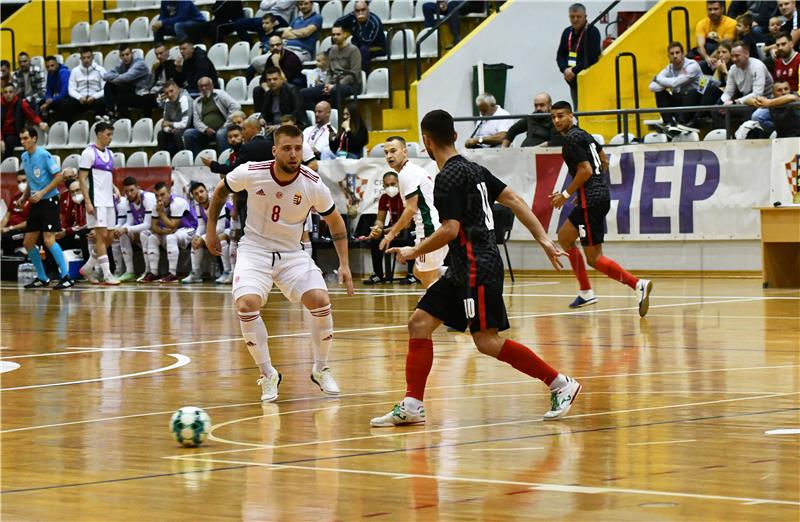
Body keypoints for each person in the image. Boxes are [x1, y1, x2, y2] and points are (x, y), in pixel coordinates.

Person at [370, 109, 580, 427]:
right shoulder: (475, 169)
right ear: (454, 136)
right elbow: (515, 200)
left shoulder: (447, 177)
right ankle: (413, 404)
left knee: (486, 341)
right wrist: (543, 240)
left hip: (475, 266)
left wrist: (415, 249)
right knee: (419, 323)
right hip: (461, 266)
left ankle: (560, 383)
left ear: (426, 142)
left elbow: (450, 229)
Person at [204, 125, 355, 401]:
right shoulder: (252, 171)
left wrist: (344, 264)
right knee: (247, 304)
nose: (293, 154)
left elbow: (336, 221)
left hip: (292, 253)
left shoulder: (312, 183)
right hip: (254, 249)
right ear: (275, 151)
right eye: (287, 148)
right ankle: (267, 373)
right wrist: (211, 229)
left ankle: (321, 368)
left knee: (320, 300)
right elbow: (219, 192)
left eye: (298, 148)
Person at [549, 101, 652, 315]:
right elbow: (603, 161)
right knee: (565, 237)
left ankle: (637, 284)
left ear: (571, 115)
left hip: (591, 200)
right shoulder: (586, 135)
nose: (557, 121)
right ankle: (586, 292)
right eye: (553, 117)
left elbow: (585, 170)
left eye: (561, 116)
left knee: (594, 258)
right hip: (596, 196)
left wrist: (567, 194)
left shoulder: (570, 140)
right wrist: (587, 190)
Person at [379, 136, 446, 288]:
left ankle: (438, 307)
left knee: (427, 278)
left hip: (429, 231)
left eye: (393, 151)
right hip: (435, 228)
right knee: (418, 271)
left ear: (405, 151)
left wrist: (391, 234)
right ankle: (457, 277)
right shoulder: (412, 171)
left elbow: (411, 209)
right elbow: (411, 214)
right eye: (386, 152)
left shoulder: (407, 173)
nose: (389, 155)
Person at [18, 126, 74, 289]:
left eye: (26, 138)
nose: (23, 142)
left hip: (49, 201)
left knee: (49, 240)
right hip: (36, 203)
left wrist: (42, 193)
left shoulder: (43, 154)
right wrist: (24, 196)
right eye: (21, 138)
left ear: (34, 138)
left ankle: (66, 276)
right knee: (28, 242)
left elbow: (59, 177)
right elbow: (31, 179)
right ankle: (42, 278)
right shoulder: (24, 156)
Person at [77, 122, 118, 285]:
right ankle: (107, 274)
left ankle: (88, 267)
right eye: (108, 134)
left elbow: (106, 176)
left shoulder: (110, 153)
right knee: (101, 237)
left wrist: (115, 188)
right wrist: (87, 201)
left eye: (111, 134)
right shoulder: (88, 153)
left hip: (109, 200)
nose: (110, 138)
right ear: (99, 134)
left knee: (109, 236)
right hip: (97, 201)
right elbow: (82, 179)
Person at [364, 171, 416, 285]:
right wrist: (377, 229)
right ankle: (378, 274)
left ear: (399, 183)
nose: (390, 188)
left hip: (409, 229)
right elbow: (380, 219)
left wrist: (384, 231)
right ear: (383, 186)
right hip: (393, 230)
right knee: (375, 240)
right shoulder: (384, 198)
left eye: (393, 184)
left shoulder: (406, 196)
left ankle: (412, 274)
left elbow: (406, 224)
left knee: (408, 237)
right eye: (387, 185)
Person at [140, 181, 197, 283]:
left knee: (171, 237)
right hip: (171, 232)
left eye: (162, 195)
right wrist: (163, 231)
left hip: (189, 229)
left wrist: (161, 213)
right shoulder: (156, 205)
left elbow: (173, 225)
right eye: (157, 196)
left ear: (169, 192)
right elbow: (153, 226)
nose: (160, 198)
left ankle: (173, 274)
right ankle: (154, 273)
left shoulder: (177, 202)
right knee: (152, 238)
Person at [181, 181, 233, 284]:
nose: (199, 195)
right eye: (196, 194)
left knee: (220, 237)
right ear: (193, 197)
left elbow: (221, 228)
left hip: (231, 229)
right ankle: (196, 273)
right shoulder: (198, 205)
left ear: (206, 191)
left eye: (201, 191)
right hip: (215, 231)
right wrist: (197, 236)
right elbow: (201, 225)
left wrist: (203, 238)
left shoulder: (216, 201)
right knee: (195, 241)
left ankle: (227, 272)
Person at [301, 23, 362, 110]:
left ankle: (336, 119)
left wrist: (335, 85)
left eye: (338, 34)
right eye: (333, 35)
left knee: (335, 91)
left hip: (350, 85)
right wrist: (326, 84)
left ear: (345, 34)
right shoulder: (332, 50)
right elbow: (329, 72)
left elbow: (354, 73)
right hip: (332, 84)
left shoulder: (353, 50)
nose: (335, 37)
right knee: (304, 93)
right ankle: (318, 117)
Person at [556, 3, 601, 110]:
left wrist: (574, 70)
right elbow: (560, 55)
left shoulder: (592, 31)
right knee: (577, 110)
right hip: (572, 80)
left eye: (578, 17)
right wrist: (565, 70)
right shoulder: (567, 32)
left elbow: (592, 57)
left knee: (587, 110)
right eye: (572, 17)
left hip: (588, 79)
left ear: (585, 17)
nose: (575, 20)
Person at [648, 42, 703, 127]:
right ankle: (668, 123)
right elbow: (652, 87)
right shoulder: (669, 68)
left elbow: (675, 83)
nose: (675, 56)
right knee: (659, 93)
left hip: (695, 101)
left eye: (677, 52)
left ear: (683, 54)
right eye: (672, 53)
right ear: (668, 56)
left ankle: (681, 123)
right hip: (679, 100)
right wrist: (668, 82)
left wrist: (658, 79)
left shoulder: (692, 65)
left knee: (692, 93)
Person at [183, 77, 241, 155]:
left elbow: (236, 106)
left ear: (212, 86)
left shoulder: (220, 94)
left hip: (224, 129)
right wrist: (205, 129)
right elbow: (196, 121)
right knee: (188, 133)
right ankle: (197, 159)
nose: (204, 88)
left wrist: (226, 124)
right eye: (201, 86)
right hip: (206, 132)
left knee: (220, 133)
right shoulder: (196, 102)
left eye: (206, 85)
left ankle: (225, 158)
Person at [116, 176, 158, 283]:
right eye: (126, 191)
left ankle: (148, 270)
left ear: (138, 188)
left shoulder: (148, 198)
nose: (129, 194)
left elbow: (148, 225)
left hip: (156, 228)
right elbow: (129, 222)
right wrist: (120, 229)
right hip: (143, 229)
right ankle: (129, 272)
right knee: (122, 234)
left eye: (132, 190)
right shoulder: (128, 202)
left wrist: (125, 229)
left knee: (143, 233)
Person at [335, 1, 387, 71]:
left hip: (377, 47)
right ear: (354, 11)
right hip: (358, 46)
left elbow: (366, 41)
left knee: (363, 50)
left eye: (363, 10)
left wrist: (360, 24)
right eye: (357, 11)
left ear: (368, 10)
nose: (360, 13)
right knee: (334, 49)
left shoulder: (374, 22)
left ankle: (363, 75)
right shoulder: (352, 16)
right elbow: (337, 23)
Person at [102, 44, 151, 119]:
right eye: (122, 55)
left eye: (127, 54)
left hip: (140, 92)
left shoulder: (140, 64)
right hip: (129, 91)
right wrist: (117, 77)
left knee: (122, 87)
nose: (125, 57)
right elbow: (105, 76)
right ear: (120, 57)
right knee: (108, 85)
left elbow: (126, 78)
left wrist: (115, 78)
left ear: (132, 54)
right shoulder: (122, 65)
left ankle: (124, 118)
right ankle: (111, 112)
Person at [1, 84, 48, 156]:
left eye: (10, 92)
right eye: (5, 92)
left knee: (9, 141)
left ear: (14, 93)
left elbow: (33, 115)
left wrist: (40, 123)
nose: (8, 94)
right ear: (2, 94)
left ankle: (7, 164)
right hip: (2, 135)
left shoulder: (21, 103)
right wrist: (0, 139)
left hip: (16, 135)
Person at [256, 67, 308, 131]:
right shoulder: (268, 94)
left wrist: (279, 126)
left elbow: (297, 113)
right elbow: (264, 113)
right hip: (273, 127)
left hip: (293, 127)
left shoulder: (292, 90)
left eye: (275, 79)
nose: (272, 82)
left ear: (281, 79)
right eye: (269, 80)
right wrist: (262, 118)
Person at [56, 175, 90, 265]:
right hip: (79, 230)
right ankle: (62, 268)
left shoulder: (89, 201)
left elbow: (87, 224)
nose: (75, 194)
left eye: (77, 190)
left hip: (92, 229)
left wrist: (67, 231)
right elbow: (68, 220)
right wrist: (63, 229)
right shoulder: (76, 203)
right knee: (57, 237)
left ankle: (87, 268)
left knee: (83, 235)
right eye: (72, 192)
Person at [67, 47, 108, 123]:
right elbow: (71, 90)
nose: (86, 60)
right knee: (66, 104)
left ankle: (97, 126)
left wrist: (94, 97)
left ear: (92, 58)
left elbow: (106, 89)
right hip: (81, 99)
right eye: (84, 58)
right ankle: (69, 128)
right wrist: (79, 97)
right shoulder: (75, 71)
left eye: (88, 57)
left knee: (102, 102)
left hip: (95, 99)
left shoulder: (100, 70)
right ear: (81, 59)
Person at [157, 80, 193, 156]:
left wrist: (170, 124)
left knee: (177, 133)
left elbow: (185, 124)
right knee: (161, 134)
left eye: (171, 91)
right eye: (166, 93)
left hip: (189, 127)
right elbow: (164, 124)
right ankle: (164, 161)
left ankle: (183, 158)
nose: (169, 95)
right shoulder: (167, 101)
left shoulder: (185, 99)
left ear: (177, 89)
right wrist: (170, 130)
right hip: (174, 129)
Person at [1, 171, 30, 257]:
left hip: (24, 231)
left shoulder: (34, 198)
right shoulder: (16, 197)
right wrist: (1, 228)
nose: (21, 184)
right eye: (19, 182)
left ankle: (9, 265)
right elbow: (7, 216)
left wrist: (10, 228)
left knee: (7, 237)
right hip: (10, 230)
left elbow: (31, 221)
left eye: (24, 181)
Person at [40, 56, 71, 122]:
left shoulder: (64, 72)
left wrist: (51, 100)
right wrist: (47, 99)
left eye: (52, 65)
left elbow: (65, 92)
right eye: (47, 67)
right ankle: (46, 125)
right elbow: (49, 90)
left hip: (67, 98)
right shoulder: (50, 73)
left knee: (62, 104)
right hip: (57, 98)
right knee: (40, 102)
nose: (50, 68)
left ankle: (64, 126)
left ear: (57, 64)